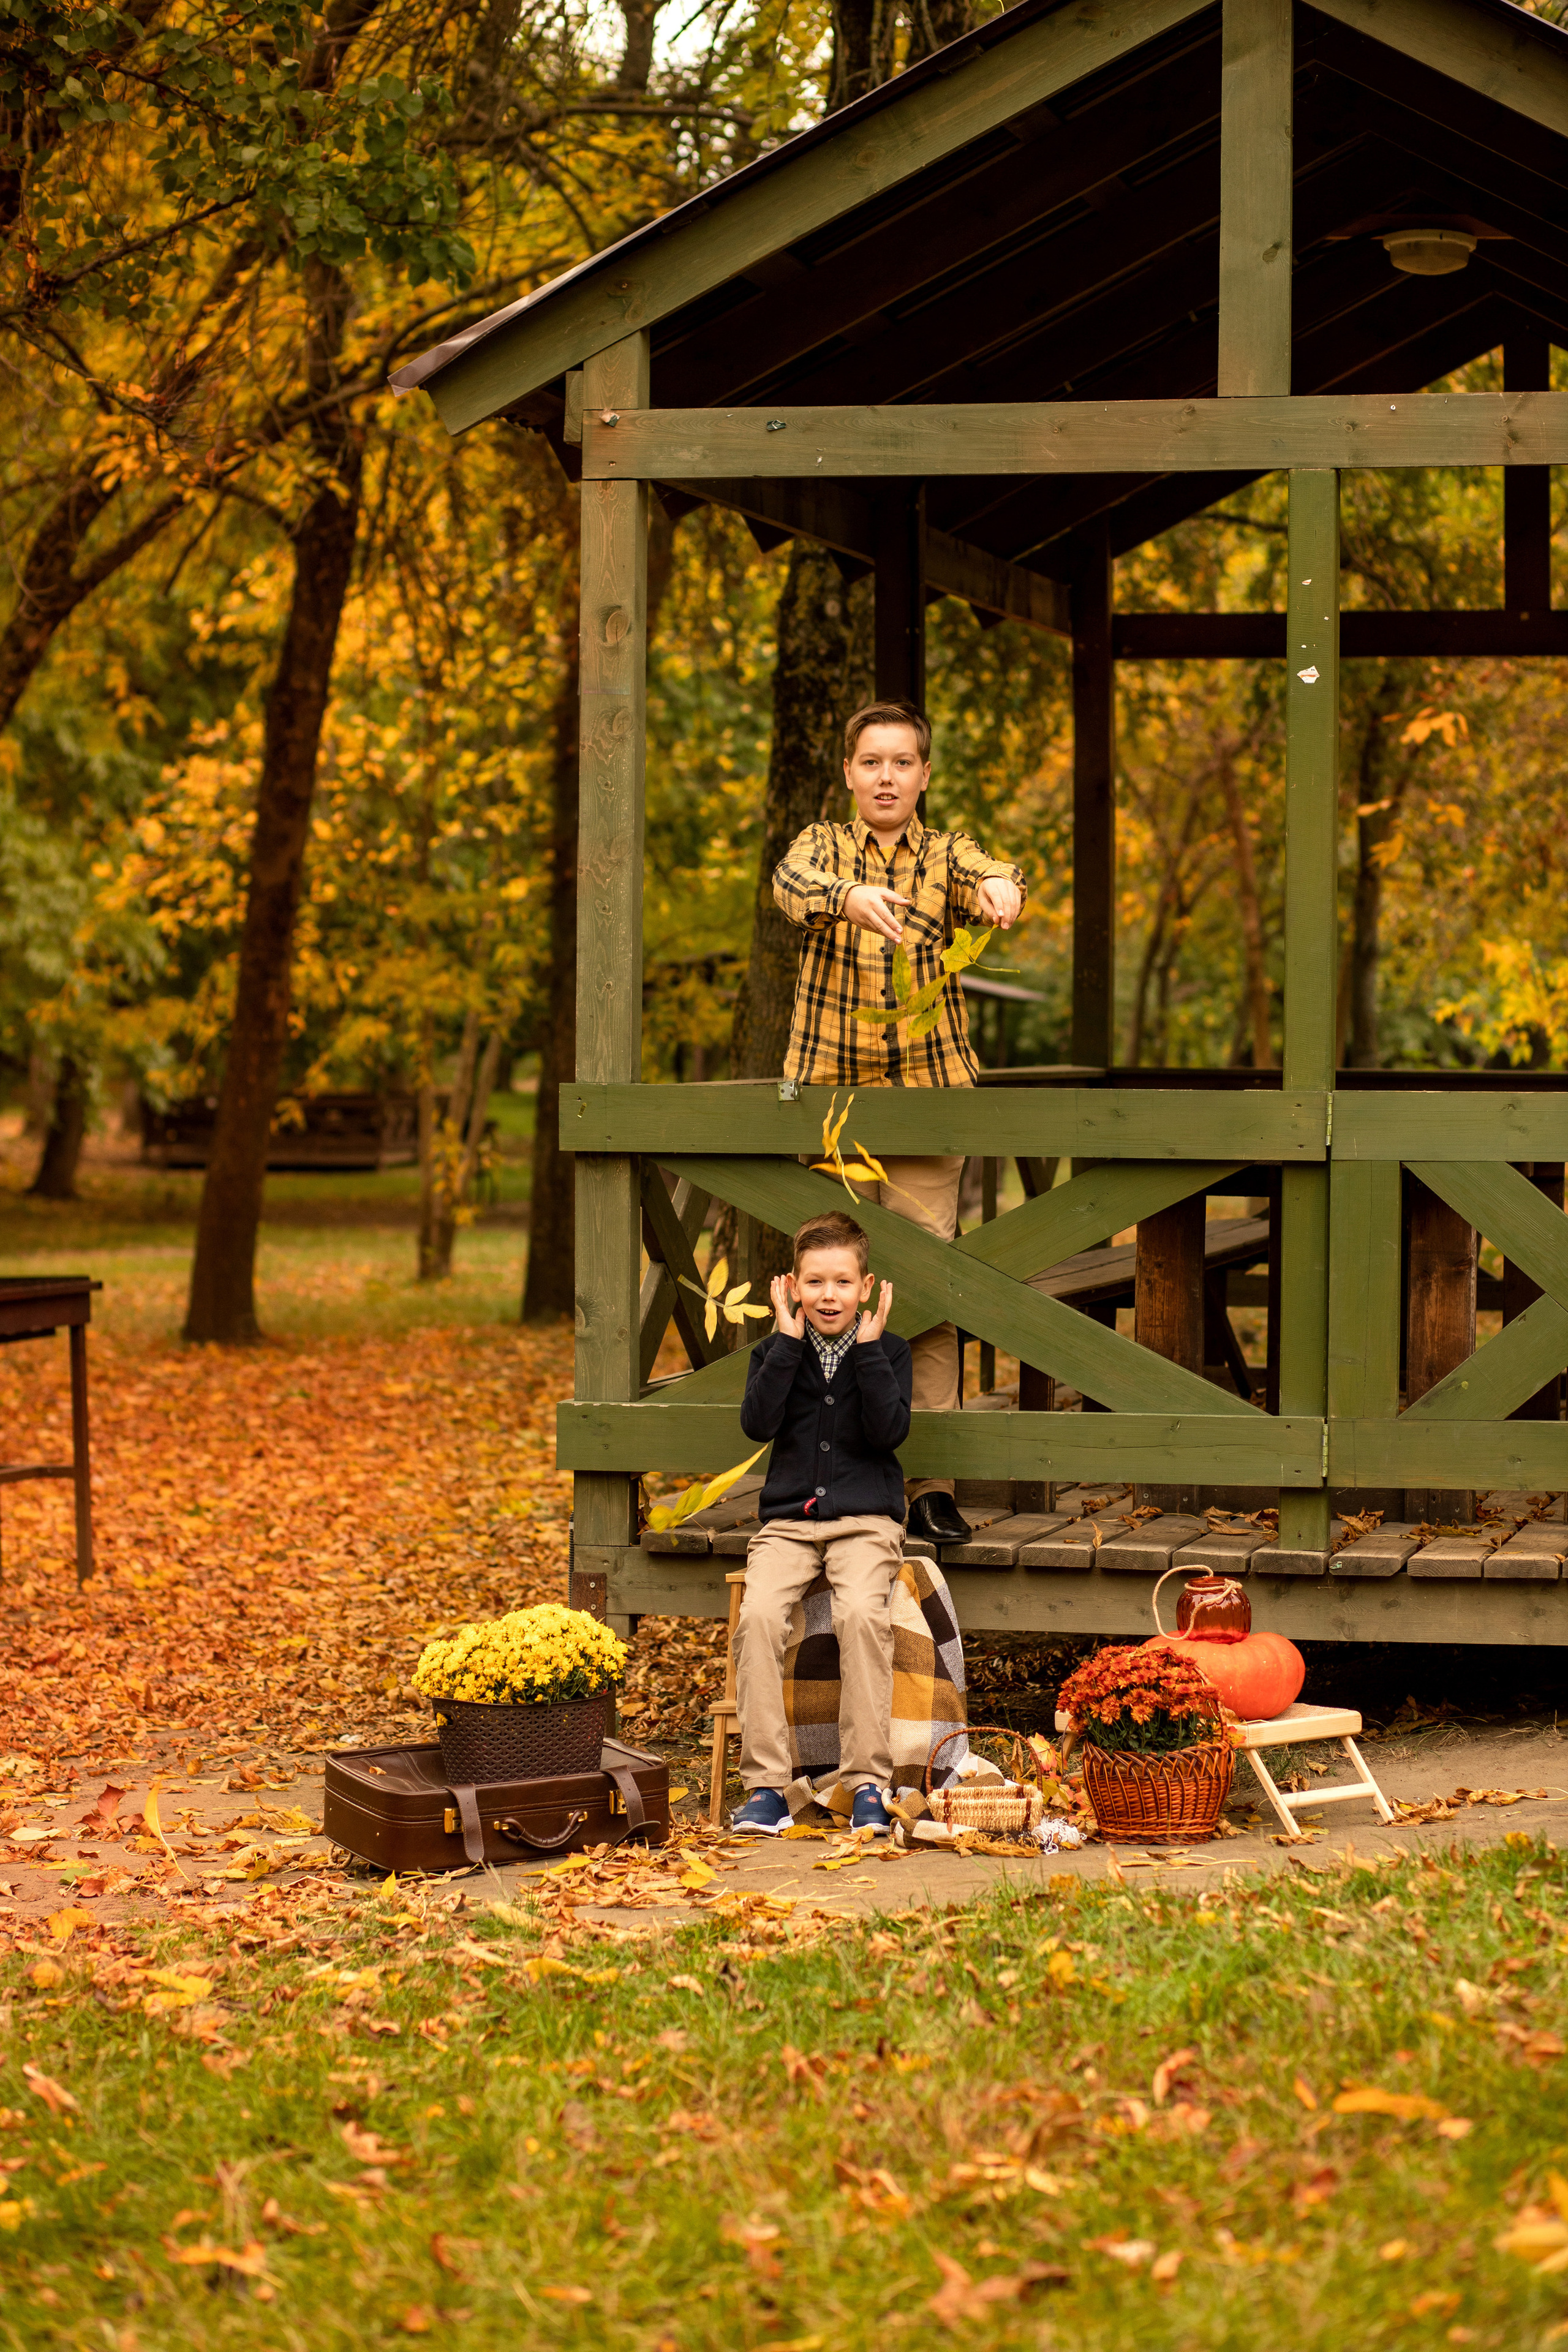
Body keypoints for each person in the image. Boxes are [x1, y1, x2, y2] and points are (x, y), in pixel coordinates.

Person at [772, 699, 1027, 1545]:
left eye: (903, 763)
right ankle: (828, 1470)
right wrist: (847, 897)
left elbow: (988, 868)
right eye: (872, 762)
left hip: (926, 1098)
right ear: (849, 773)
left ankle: (930, 1486)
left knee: (927, 1292)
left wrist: (999, 887)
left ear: (924, 774)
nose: (887, 776)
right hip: (832, 1104)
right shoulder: (821, 847)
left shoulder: (945, 855)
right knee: (826, 1290)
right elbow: (790, 887)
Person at [729, 1210, 912, 1837]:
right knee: (757, 1619)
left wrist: (866, 1354)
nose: (827, 1296)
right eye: (814, 1283)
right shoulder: (773, 1351)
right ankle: (766, 1787)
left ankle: (867, 1781)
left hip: (865, 1522)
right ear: (791, 1287)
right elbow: (758, 1423)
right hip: (788, 1524)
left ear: (865, 1288)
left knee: (862, 1614)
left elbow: (889, 1431)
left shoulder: (887, 1351)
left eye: (840, 1283)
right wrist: (784, 1342)